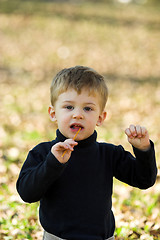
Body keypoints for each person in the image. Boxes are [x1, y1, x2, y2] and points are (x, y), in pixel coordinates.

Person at [16, 66, 157, 240]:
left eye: (88, 109)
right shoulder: (43, 152)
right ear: (53, 113)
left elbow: (144, 180)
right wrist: (52, 163)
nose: (78, 115)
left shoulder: (108, 154)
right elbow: (26, 193)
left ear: (100, 118)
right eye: (68, 107)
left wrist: (143, 150)